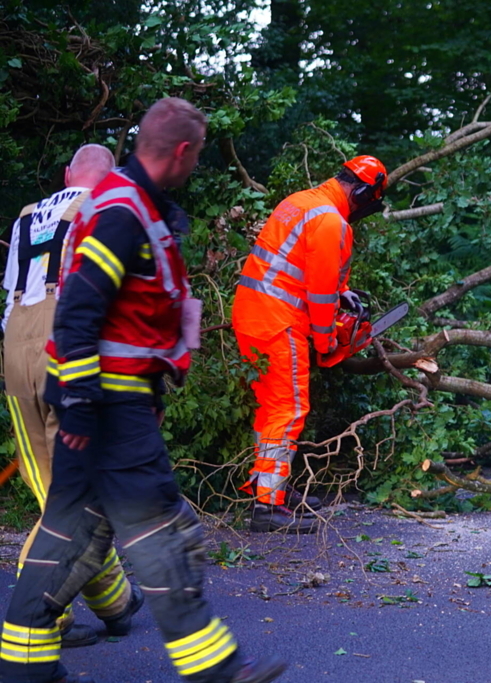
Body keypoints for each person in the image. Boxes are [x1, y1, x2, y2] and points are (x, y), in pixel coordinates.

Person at [0, 97, 286, 683]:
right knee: (161, 527)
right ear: (182, 151)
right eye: (198, 154)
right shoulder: (122, 210)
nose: (197, 163)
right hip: (108, 404)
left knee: (72, 529)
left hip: (103, 396)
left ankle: (25, 662)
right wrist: (83, 409)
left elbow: (129, 316)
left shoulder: (134, 207)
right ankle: (214, 667)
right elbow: (78, 312)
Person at [2, 144, 144, 650]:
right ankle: (36, 619)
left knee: (53, 491)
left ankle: (115, 603)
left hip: (16, 349)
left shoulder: (25, 219)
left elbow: (10, 295)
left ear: (67, 175)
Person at [232, 155, 388, 533]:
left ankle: (270, 486)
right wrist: (327, 340)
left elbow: (306, 265)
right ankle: (268, 506)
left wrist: (343, 293)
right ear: (362, 193)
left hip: (252, 314)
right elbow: (319, 294)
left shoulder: (301, 202)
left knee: (272, 408)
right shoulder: (331, 221)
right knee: (290, 409)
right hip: (278, 320)